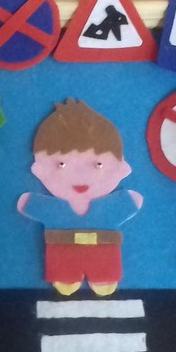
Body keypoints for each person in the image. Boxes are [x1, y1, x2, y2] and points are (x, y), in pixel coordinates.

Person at [17, 99, 142, 297]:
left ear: (122, 167)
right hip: (63, 256)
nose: (80, 176)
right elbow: (30, 204)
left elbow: (130, 202)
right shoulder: (54, 208)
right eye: (61, 164)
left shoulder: (112, 205)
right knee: (66, 274)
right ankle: (69, 277)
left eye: (98, 164)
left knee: (103, 273)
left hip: (104, 257)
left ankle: (101, 278)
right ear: (38, 169)